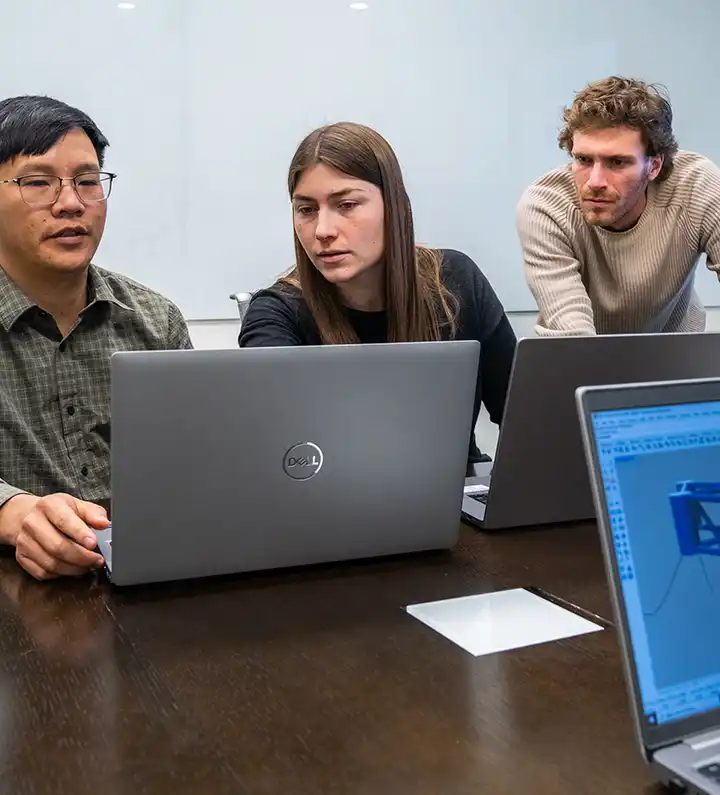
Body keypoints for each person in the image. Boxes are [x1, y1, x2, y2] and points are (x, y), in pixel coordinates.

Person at [238, 122, 516, 468]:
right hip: (332, 507)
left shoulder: (454, 282)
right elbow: (278, 453)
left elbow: (524, 419)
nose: (323, 231)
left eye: (347, 204)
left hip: (455, 493)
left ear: (394, 207)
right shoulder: (275, 315)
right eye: (306, 209)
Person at [0, 95, 192, 581]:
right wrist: (12, 511)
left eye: (88, 181)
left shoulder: (155, 321)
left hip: (153, 582)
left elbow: (197, 461)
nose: (71, 203)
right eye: (38, 183)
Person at [517, 75, 720, 336]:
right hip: (582, 362)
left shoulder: (695, 185)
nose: (595, 181)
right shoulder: (545, 207)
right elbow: (574, 337)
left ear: (654, 166)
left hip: (675, 355)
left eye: (617, 162)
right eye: (583, 159)